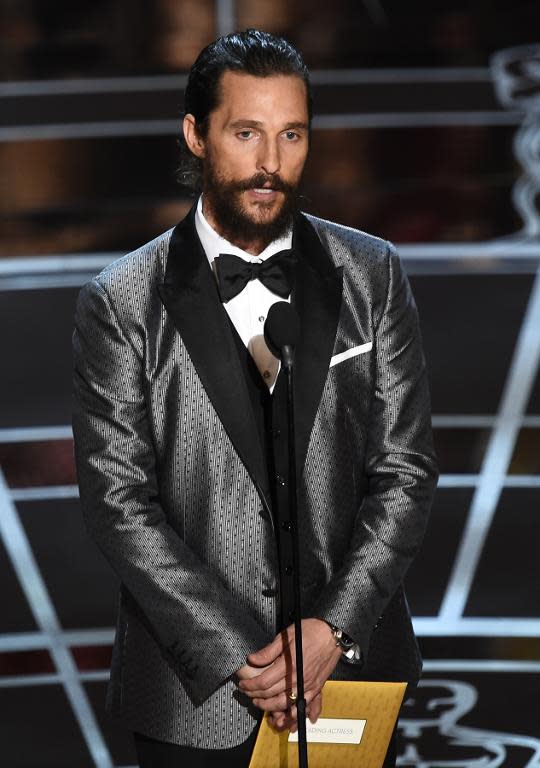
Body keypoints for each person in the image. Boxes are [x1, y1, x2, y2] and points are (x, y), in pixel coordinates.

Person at [72, 28, 438, 768]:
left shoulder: (373, 274)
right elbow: (119, 502)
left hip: (351, 675)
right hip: (195, 698)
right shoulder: (120, 302)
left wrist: (331, 629)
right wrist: (246, 654)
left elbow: (405, 472)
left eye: (291, 135)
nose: (271, 163)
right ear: (197, 135)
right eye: (246, 133)